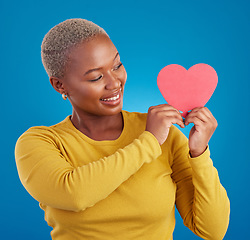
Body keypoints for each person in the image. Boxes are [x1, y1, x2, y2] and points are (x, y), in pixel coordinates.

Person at [15, 18, 230, 240]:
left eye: (117, 66)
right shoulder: (40, 142)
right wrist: (148, 142)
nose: (114, 82)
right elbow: (74, 195)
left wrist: (199, 153)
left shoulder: (166, 135)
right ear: (60, 85)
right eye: (96, 77)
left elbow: (212, 230)